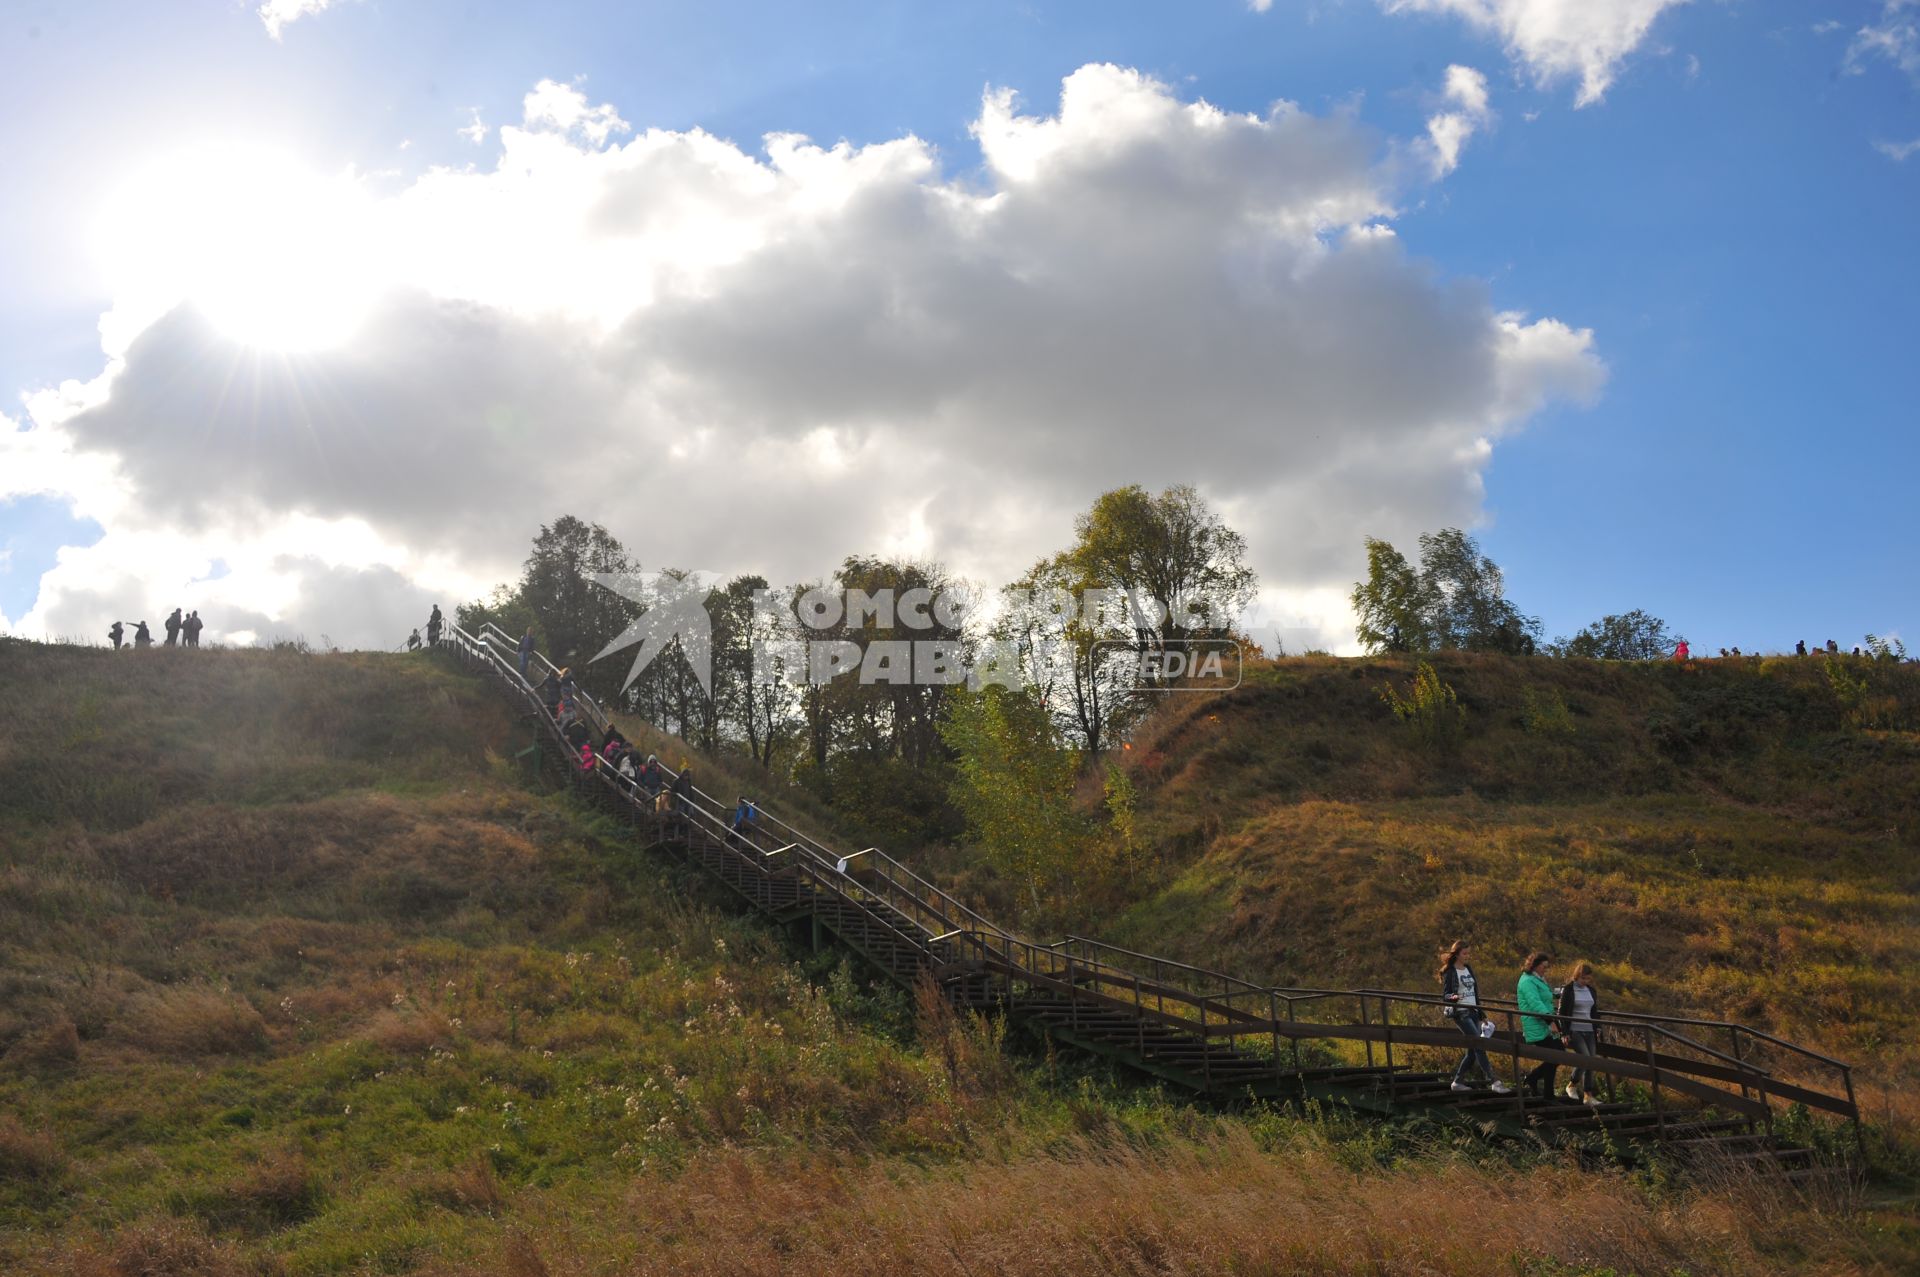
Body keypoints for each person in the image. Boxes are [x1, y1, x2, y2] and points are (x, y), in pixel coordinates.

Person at [1439, 941, 1510, 1094]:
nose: (1467, 956)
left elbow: (1475, 994)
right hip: (1461, 1013)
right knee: (1479, 1044)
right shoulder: (1450, 971)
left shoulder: (1468, 968)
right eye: (1464, 953)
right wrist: (1455, 997)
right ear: (1457, 954)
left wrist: (1482, 1014)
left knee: (1472, 1051)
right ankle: (1494, 1081)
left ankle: (1457, 1082)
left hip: (1473, 1012)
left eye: (1468, 953)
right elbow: (1445, 996)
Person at [1516, 952, 1563, 1099]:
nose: (1545, 969)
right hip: (1537, 1024)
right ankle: (1545, 1091)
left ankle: (1535, 1081)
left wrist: (1558, 994)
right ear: (1535, 966)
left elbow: (1544, 996)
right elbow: (1535, 1003)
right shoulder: (1527, 981)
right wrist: (1550, 1021)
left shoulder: (1538, 979)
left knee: (1557, 1054)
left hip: (1546, 1023)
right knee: (1554, 1056)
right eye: (1544, 967)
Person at [1557, 961, 1602, 1105]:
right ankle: (1571, 1085)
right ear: (1576, 976)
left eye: (1588, 979)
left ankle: (1588, 1095)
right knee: (1585, 1058)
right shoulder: (1569, 990)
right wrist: (1564, 1033)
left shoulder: (1591, 990)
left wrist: (1598, 1027)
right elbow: (1561, 1012)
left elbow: (1594, 1011)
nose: (1585, 981)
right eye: (1583, 978)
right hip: (1574, 1029)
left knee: (1592, 1061)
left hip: (1589, 1029)